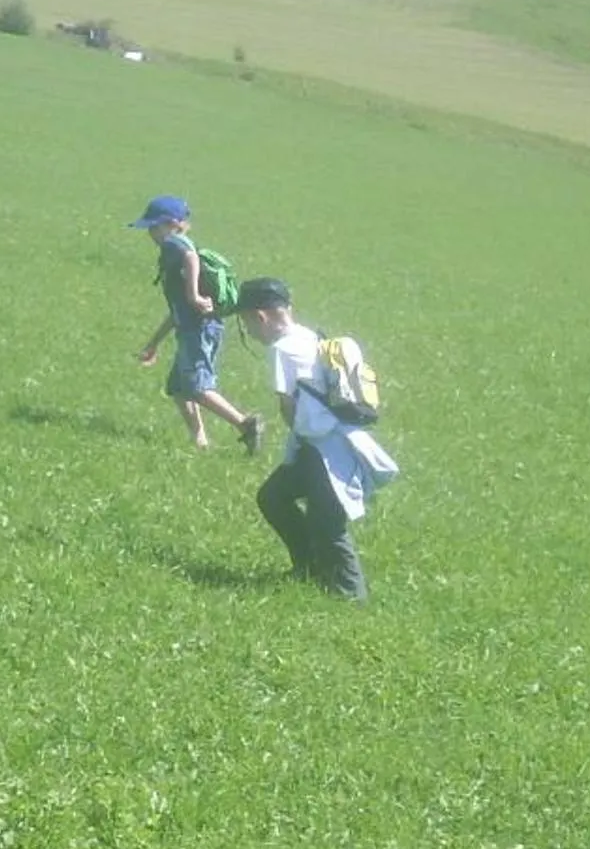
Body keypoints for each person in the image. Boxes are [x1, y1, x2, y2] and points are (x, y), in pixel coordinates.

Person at [233, 276, 396, 599]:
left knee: (328, 525)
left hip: (327, 450)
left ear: (260, 317)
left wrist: (300, 436)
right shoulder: (309, 335)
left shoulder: (281, 350)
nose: (248, 332)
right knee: (274, 496)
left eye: (246, 323)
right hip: (320, 445)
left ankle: (351, 596)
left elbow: (287, 407)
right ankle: (309, 567)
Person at [129, 195, 264, 454]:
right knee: (179, 388)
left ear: (171, 224)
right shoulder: (173, 253)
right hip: (193, 329)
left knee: (198, 388)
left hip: (199, 331)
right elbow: (176, 312)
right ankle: (200, 441)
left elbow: (191, 258)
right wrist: (153, 344)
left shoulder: (174, 244)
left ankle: (245, 424)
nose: (150, 233)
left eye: (154, 227)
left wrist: (194, 295)